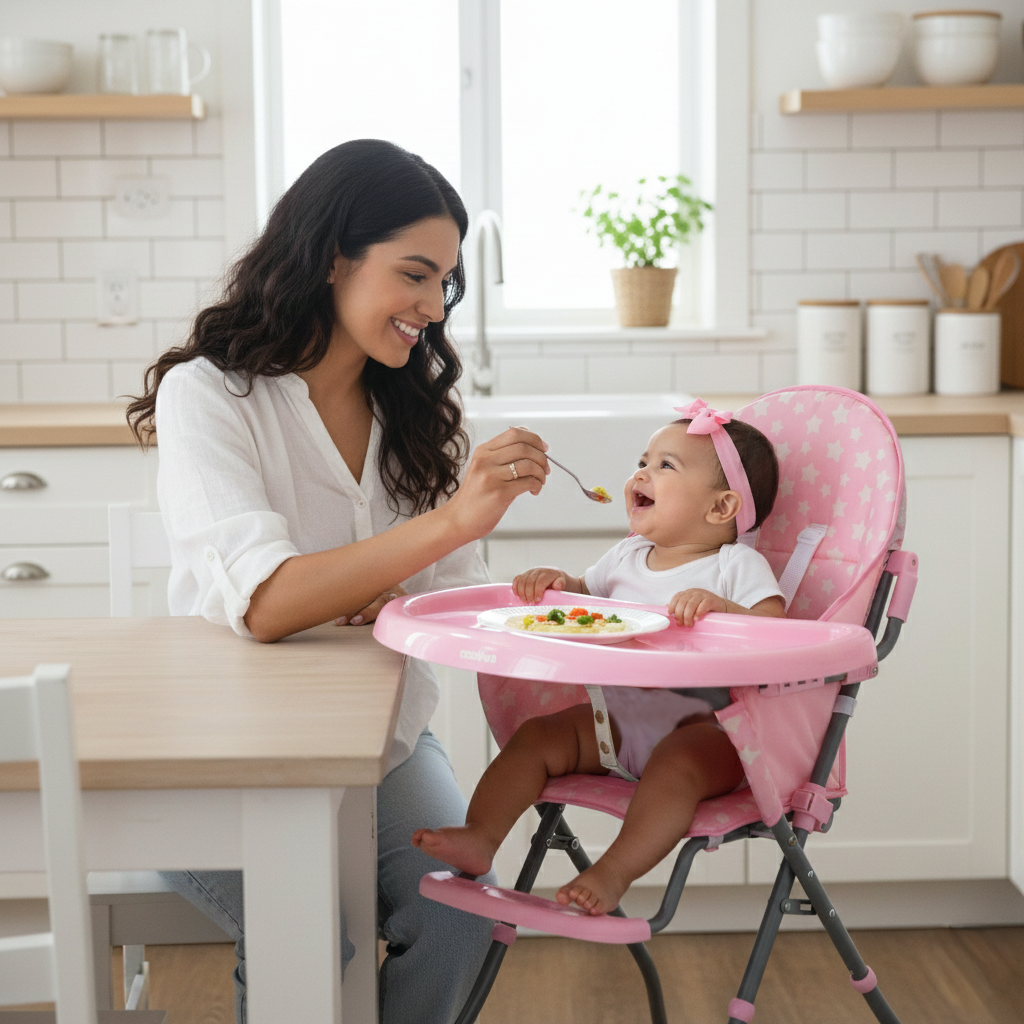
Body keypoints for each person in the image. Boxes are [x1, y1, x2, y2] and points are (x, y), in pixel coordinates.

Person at [125, 139, 550, 1023]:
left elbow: (451, 598)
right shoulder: (211, 395)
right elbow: (270, 602)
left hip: (384, 747)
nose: (434, 308)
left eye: (446, 285)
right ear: (332, 259)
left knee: (466, 915)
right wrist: (443, 526)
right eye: (415, 275)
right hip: (218, 756)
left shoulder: (419, 414)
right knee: (314, 932)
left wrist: (531, 600)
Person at [412, 400, 785, 915]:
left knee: (677, 767)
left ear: (721, 508)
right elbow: (586, 597)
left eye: (665, 466)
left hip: (708, 730)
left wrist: (724, 611)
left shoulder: (734, 565)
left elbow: (779, 637)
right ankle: (481, 835)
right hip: (618, 721)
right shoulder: (627, 554)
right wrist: (558, 585)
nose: (642, 473)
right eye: (643, 460)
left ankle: (612, 873)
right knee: (539, 738)